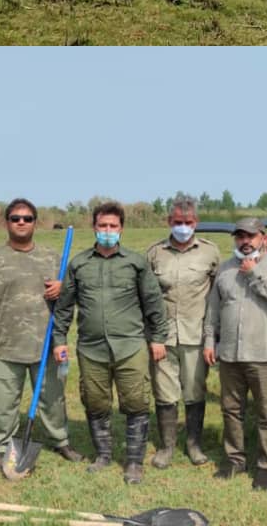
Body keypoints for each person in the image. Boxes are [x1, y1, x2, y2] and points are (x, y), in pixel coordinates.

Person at [53, 201, 168, 485]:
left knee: (136, 402)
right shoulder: (79, 264)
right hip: (91, 348)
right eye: (102, 226)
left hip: (130, 347)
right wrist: (59, 339)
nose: (107, 231)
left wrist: (158, 338)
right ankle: (103, 455)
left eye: (113, 226)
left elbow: (153, 302)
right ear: (94, 227)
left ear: (121, 229)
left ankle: (133, 462)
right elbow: (65, 306)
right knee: (95, 402)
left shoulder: (136, 262)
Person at [0, 197, 82, 472]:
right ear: (8, 223)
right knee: (2, 402)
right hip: (4, 345)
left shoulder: (52, 257)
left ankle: (60, 439)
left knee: (52, 398)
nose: (21, 222)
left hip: (45, 345)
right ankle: (1, 446)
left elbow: (69, 297)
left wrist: (62, 287)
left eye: (27, 218)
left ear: (35, 223)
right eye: (16, 218)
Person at [203, 217, 267, 490]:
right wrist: (210, 341)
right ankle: (234, 460)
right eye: (240, 237)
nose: (245, 242)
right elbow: (213, 311)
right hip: (230, 355)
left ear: (263, 238)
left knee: (266, 414)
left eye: (250, 236)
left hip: (263, 355)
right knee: (231, 411)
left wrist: (254, 274)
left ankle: (266, 467)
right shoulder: (225, 270)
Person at [146, 195, 220, 468]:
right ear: (169, 221)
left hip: (195, 334)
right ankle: (166, 447)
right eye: (178, 222)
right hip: (162, 336)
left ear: (196, 222)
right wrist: (153, 335)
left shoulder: (210, 252)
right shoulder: (154, 253)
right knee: (164, 391)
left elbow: (215, 297)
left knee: (194, 390)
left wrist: (212, 337)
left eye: (188, 222)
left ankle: (193, 444)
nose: (183, 227)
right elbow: (148, 297)